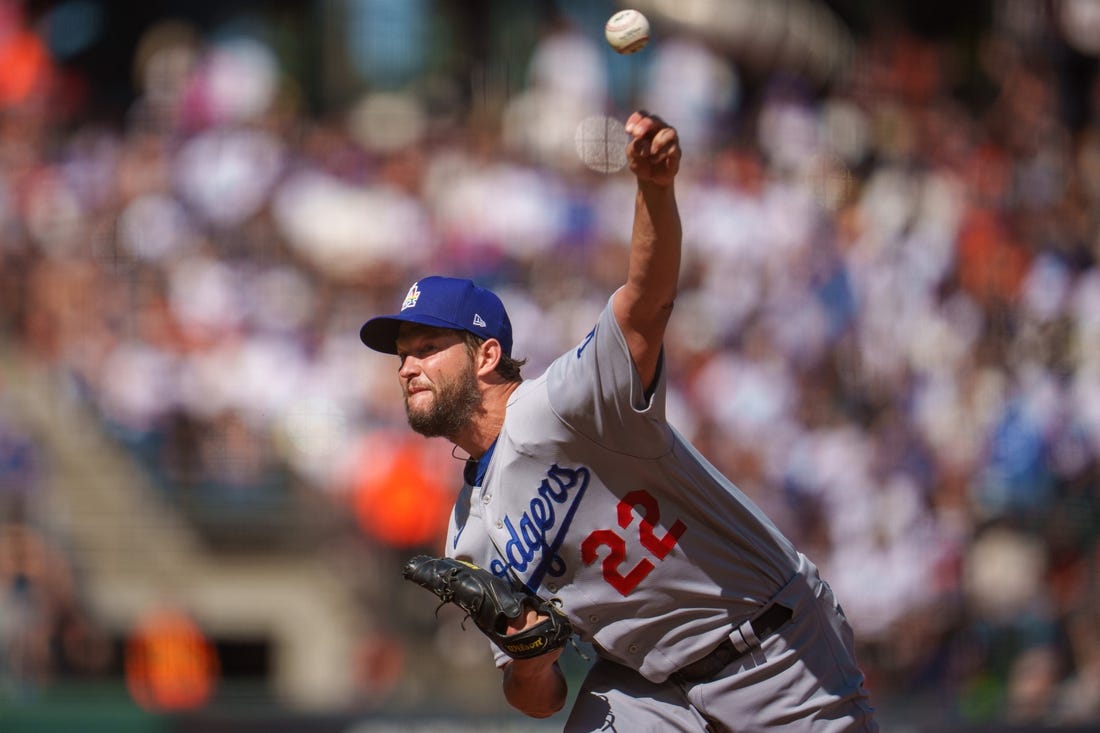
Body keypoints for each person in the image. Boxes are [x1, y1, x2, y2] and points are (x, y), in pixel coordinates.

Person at [360, 110, 878, 731]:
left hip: (768, 645)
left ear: (486, 356)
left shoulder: (565, 404)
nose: (407, 367)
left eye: (426, 349)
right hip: (648, 689)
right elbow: (538, 700)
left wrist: (655, 192)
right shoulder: (467, 533)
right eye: (402, 355)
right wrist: (529, 655)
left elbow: (645, 304)